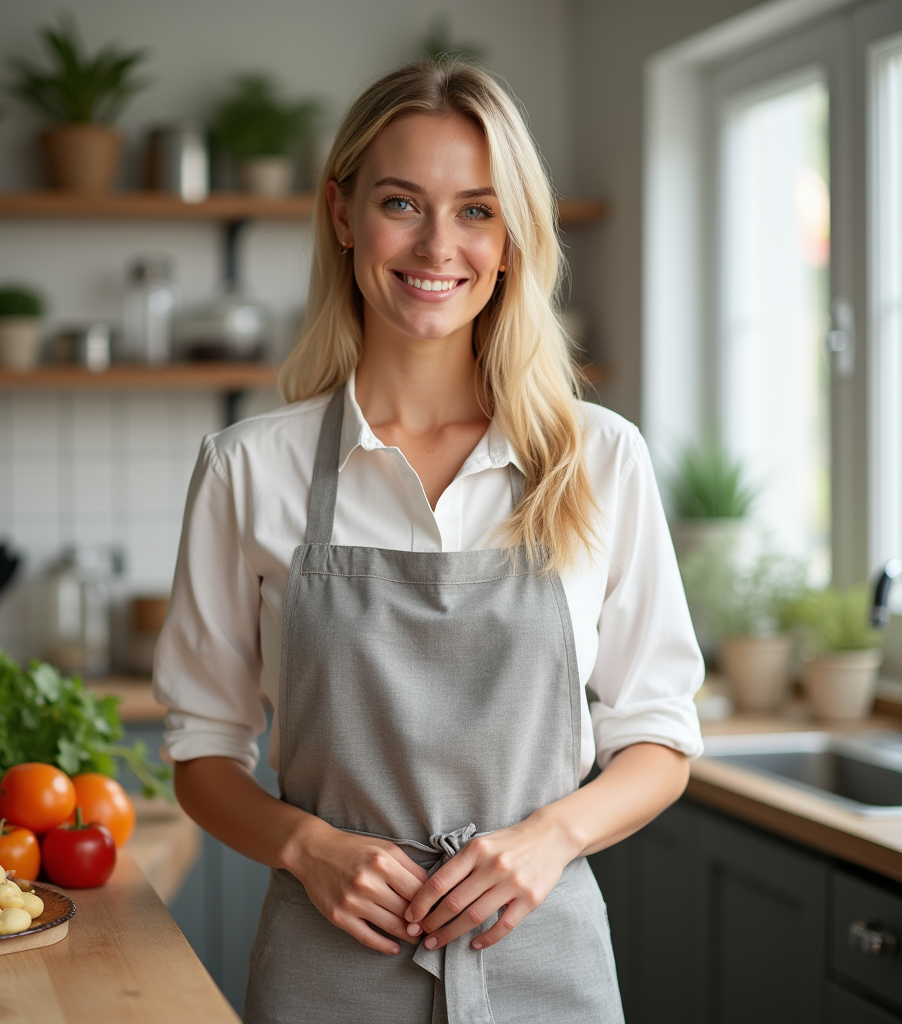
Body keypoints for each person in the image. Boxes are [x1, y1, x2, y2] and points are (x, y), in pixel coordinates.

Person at [153, 57, 704, 1024]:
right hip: (327, 967)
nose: (437, 245)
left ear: (513, 235)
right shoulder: (249, 468)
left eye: (477, 211)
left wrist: (547, 839)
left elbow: (659, 735)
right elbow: (203, 753)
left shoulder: (598, 458)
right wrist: (304, 846)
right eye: (401, 202)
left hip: (547, 965)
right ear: (341, 214)